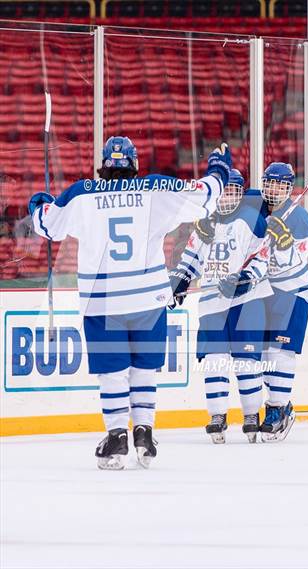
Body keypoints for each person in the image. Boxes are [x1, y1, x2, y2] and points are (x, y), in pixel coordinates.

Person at [28, 136, 232, 469]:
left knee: (113, 374)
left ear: (103, 165)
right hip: (149, 299)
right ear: (134, 165)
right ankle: (144, 434)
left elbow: (46, 224)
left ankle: (116, 438)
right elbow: (206, 197)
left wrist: (39, 202)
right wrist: (220, 169)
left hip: (103, 301)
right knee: (144, 369)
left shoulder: (81, 194)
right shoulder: (154, 190)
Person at [168, 169, 272, 444]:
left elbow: (262, 258)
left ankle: (251, 415)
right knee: (214, 360)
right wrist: (181, 279)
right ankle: (217, 415)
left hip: (246, 302)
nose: (227, 197)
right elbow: (192, 256)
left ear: (240, 193)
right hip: (212, 303)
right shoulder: (205, 222)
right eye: (224, 191)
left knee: (246, 361)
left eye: (233, 191)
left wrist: (245, 279)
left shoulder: (254, 221)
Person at [257, 162, 308, 442]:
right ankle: (280, 405)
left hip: (293, 292)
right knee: (264, 355)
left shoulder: (300, 219)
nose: (274, 189)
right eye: (270, 183)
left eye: (280, 184)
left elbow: (294, 265)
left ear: (289, 188)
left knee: (281, 352)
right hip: (264, 292)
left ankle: (277, 408)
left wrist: (281, 244)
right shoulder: (255, 213)